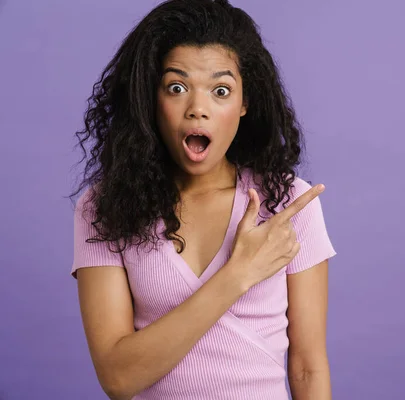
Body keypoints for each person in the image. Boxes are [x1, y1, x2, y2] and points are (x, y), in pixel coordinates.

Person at [68, 0, 336, 399]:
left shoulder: (288, 203)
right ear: (150, 100)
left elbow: (307, 367)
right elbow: (118, 378)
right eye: (176, 88)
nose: (197, 109)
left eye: (221, 90)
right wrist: (238, 274)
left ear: (245, 103)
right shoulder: (104, 207)